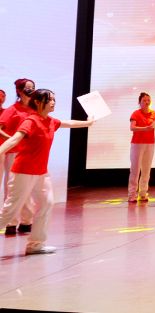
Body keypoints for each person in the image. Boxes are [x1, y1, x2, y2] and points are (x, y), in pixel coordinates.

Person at [0, 89, 94, 254]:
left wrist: (88, 123)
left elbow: (68, 123)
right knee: (10, 210)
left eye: (54, 100)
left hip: (41, 173)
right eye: (50, 100)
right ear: (38, 102)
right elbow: (14, 139)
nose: (53, 102)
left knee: (46, 203)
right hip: (23, 171)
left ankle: (35, 244)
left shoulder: (50, 121)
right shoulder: (31, 121)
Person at [0, 79, 36, 236]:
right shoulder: (12, 110)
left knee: (28, 187)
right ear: (19, 91)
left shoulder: (35, 110)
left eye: (33, 87)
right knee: (13, 188)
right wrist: (13, 139)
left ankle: (26, 221)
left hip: (30, 153)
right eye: (27, 88)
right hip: (14, 153)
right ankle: (10, 222)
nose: (31, 90)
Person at [128, 92, 155, 203]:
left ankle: (143, 193)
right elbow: (132, 128)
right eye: (144, 100)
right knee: (135, 170)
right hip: (137, 144)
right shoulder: (136, 113)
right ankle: (132, 194)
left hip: (150, 144)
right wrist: (145, 128)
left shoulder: (154, 113)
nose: (147, 102)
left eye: (148, 100)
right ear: (140, 102)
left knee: (146, 170)